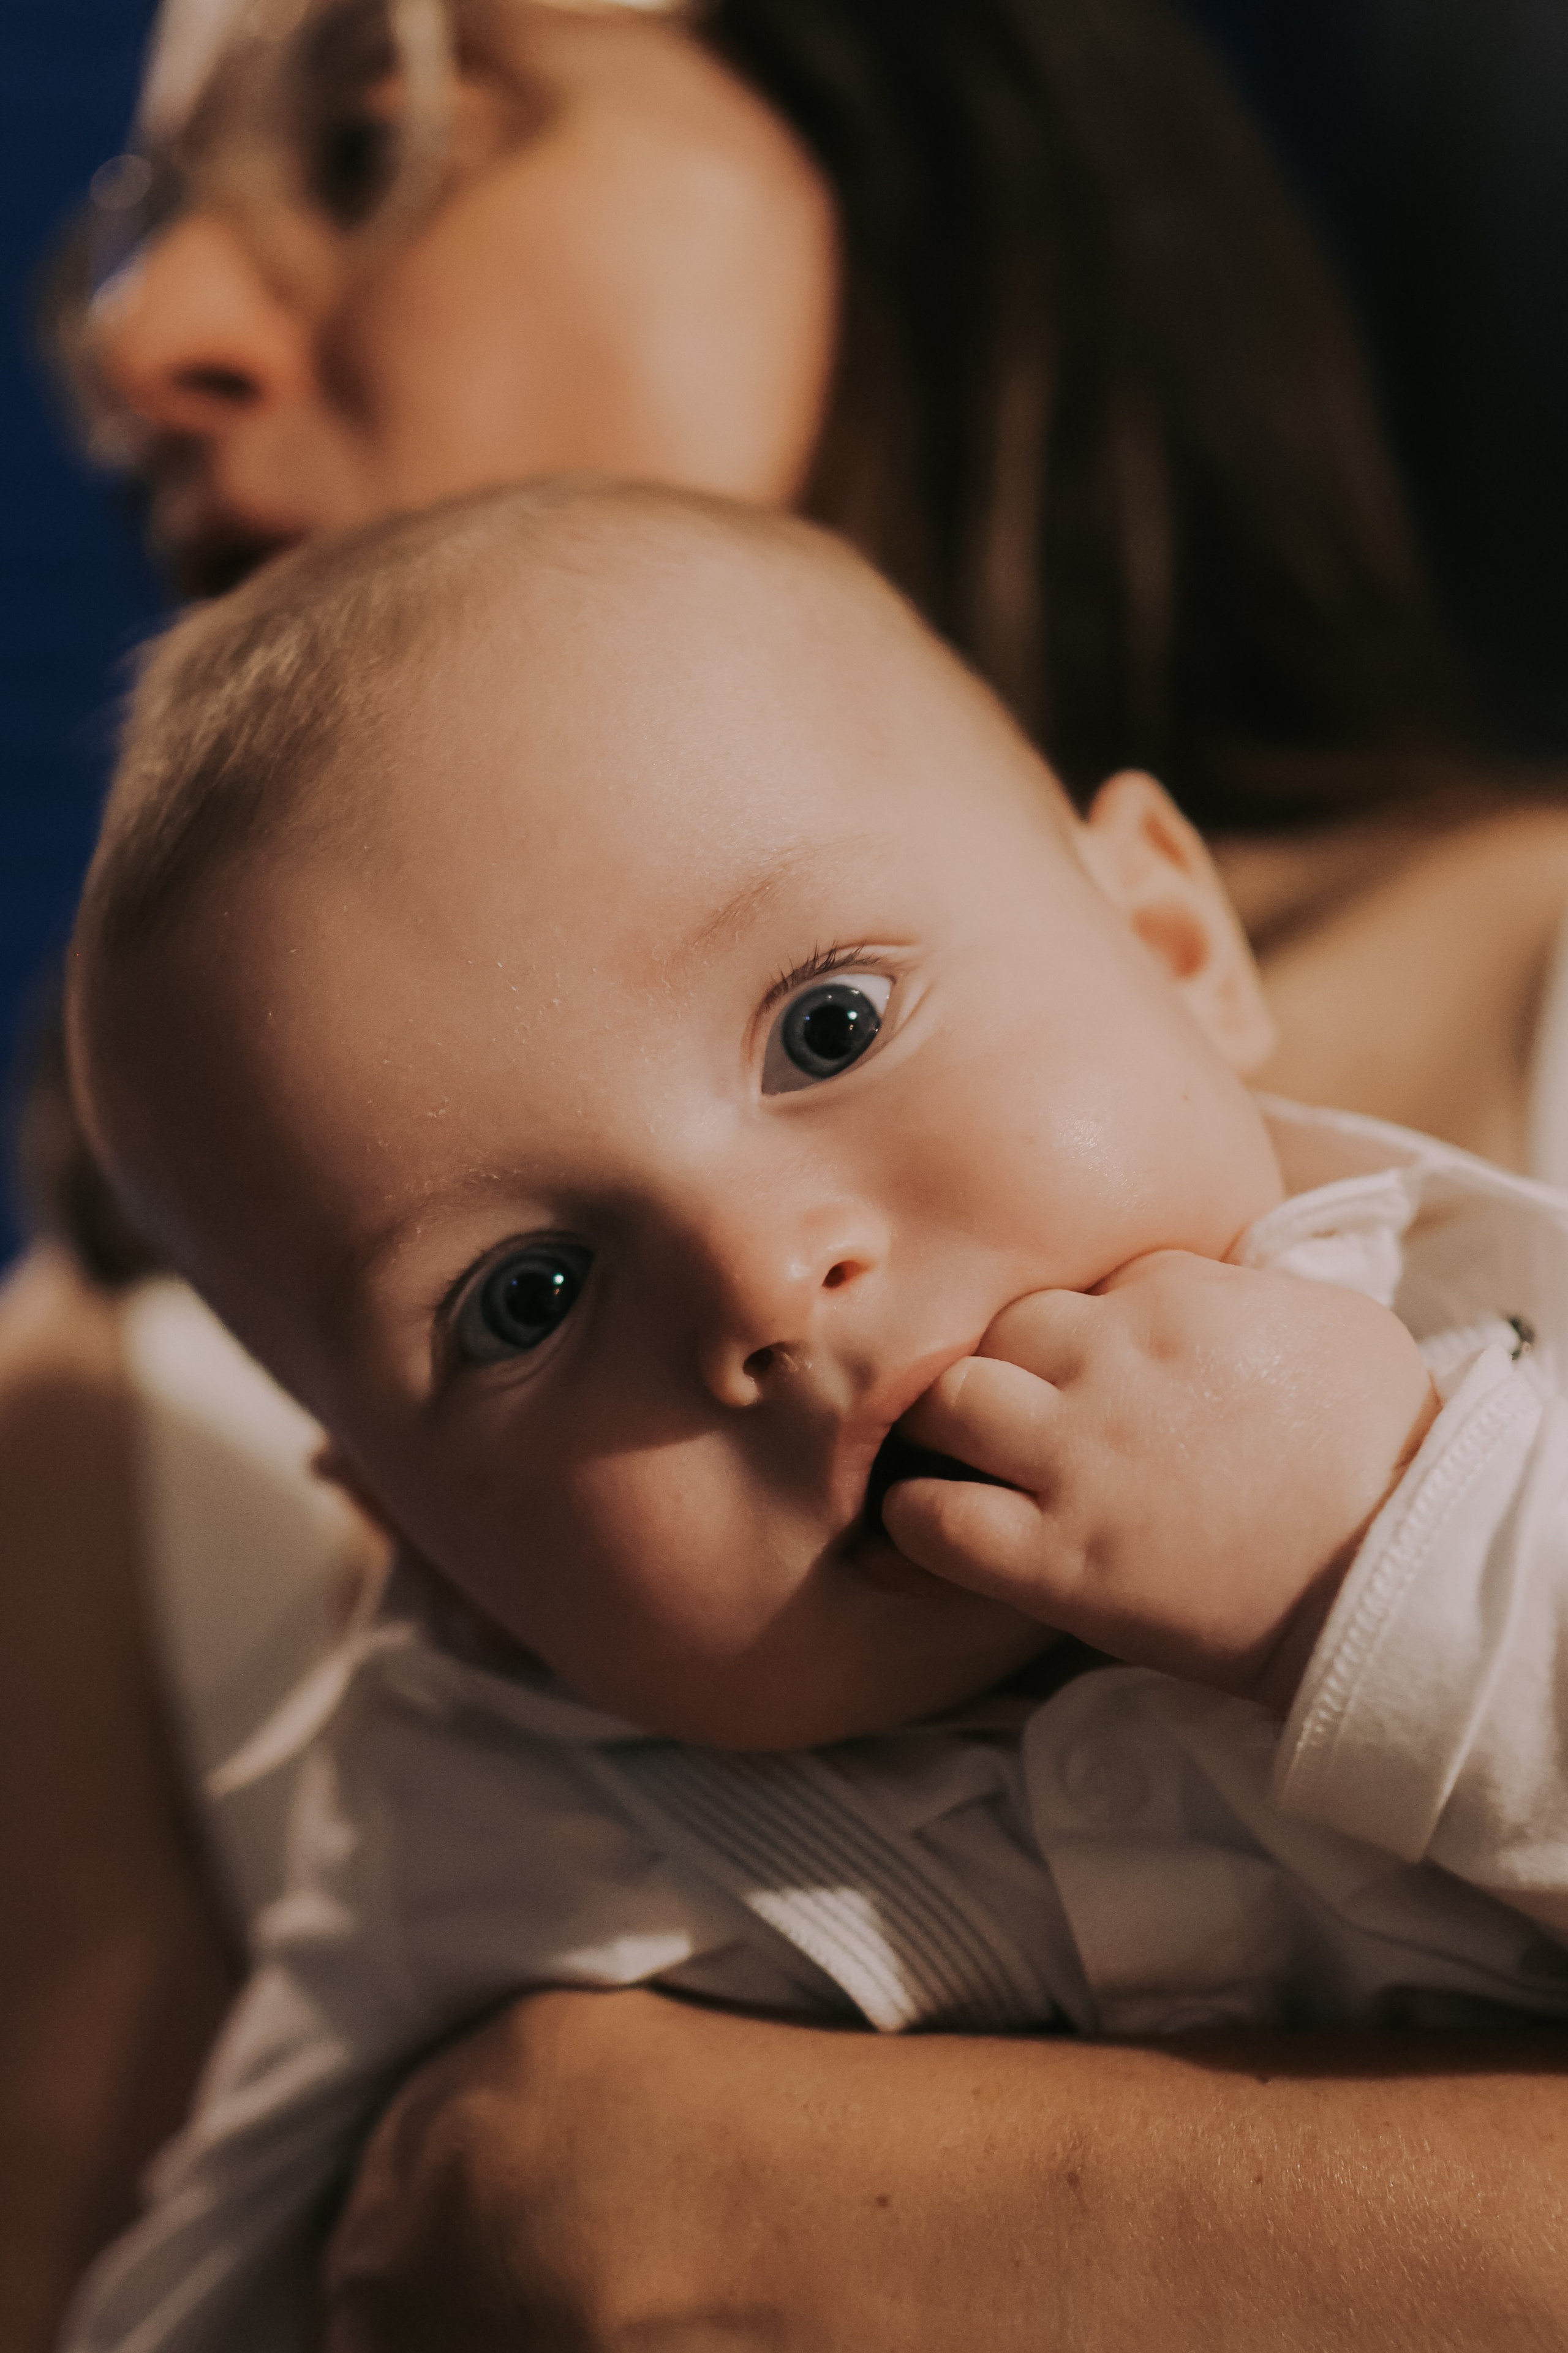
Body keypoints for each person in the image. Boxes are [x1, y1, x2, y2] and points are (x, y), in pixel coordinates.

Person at [8, 0, 1568, 2342]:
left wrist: (1391, 1557)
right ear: (396, 1521)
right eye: (525, 1299)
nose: (156, 346)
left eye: (369, 134)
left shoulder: (1456, 1356)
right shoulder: (407, 1686)